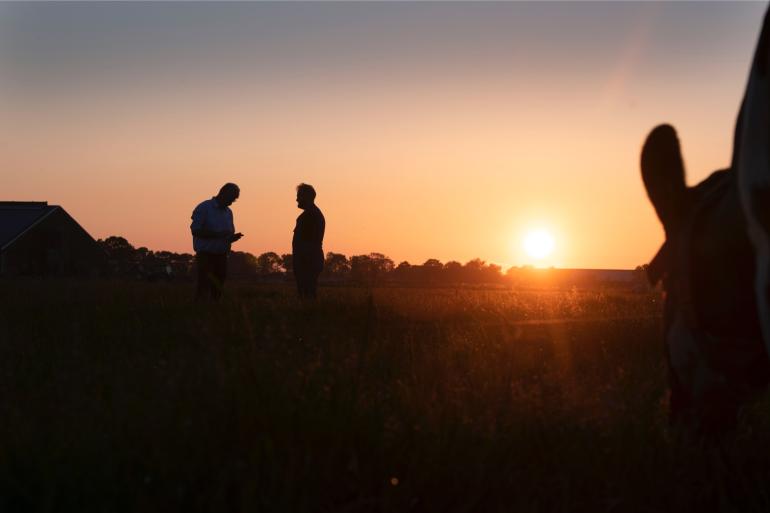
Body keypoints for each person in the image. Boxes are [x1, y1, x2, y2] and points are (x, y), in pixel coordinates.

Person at [190, 183, 243, 300]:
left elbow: (225, 236)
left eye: (234, 199)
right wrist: (218, 235)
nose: (232, 202)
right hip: (206, 255)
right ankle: (199, 310)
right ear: (223, 193)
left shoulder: (228, 212)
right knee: (203, 285)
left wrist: (231, 238)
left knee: (218, 287)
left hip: (222, 255)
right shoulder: (204, 207)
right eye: (232, 198)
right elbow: (196, 230)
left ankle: (214, 310)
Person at [292, 183, 325, 299]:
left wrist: (301, 260)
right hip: (309, 259)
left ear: (306, 197)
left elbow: (308, 242)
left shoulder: (310, 215)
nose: (296, 199)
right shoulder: (312, 214)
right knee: (307, 292)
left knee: (306, 294)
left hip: (307, 260)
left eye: (299, 196)